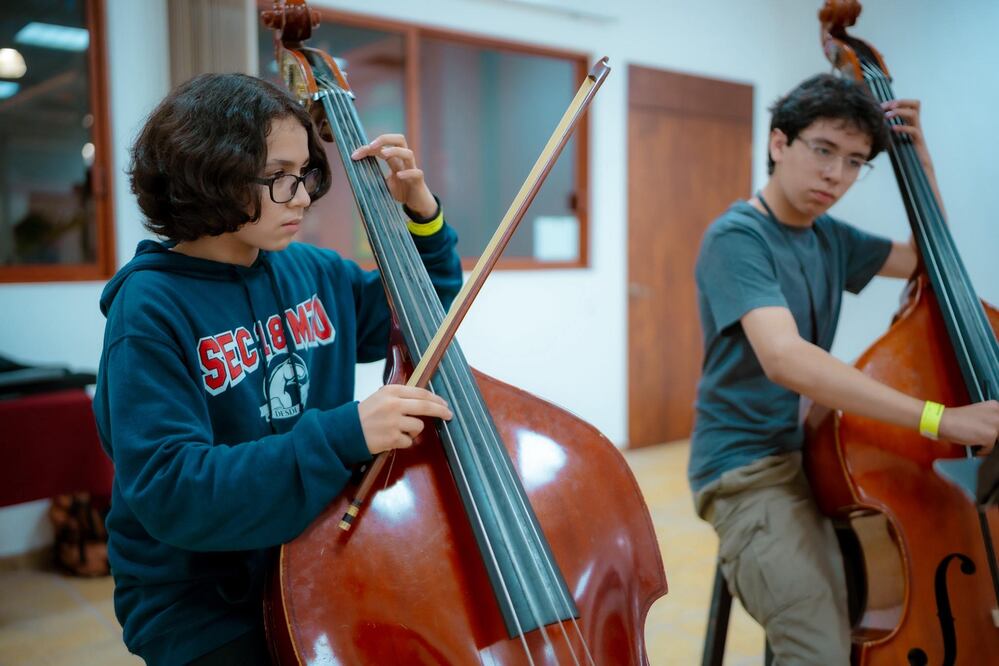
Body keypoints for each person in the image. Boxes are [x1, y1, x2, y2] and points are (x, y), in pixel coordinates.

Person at [92, 72, 462, 665]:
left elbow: (421, 318)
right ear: (210, 172)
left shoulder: (314, 272)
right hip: (203, 602)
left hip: (312, 551)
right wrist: (347, 432)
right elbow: (171, 488)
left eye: (305, 175)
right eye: (277, 178)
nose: (301, 197)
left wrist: (420, 215)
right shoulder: (149, 309)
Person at [689, 73, 999, 663]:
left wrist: (920, 164)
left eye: (856, 161)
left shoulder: (829, 236)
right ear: (780, 143)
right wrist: (939, 419)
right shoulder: (737, 237)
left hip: (814, 453)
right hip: (746, 470)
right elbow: (785, 358)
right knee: (819, 646)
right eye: (823, 150)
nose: (837, 174)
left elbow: (928, 263)